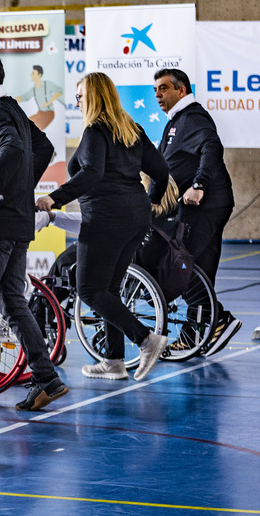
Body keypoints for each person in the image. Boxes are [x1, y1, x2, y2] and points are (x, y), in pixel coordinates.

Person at [36, 72, 170, 382]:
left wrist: (52, 199)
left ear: (94, 97)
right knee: (109, 290)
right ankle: (113, 360)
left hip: (105, 219)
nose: (77, 101)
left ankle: (146, 340)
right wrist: (149, 203)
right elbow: (162, 171)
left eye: (81, 96)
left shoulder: (96, 131)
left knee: (90, 290)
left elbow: (92, 175)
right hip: (136, 218)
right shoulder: (131, 129)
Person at [0, 49, 68, 412]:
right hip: (15, 222)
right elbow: (44, 147)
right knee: (11, 302)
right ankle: (46, 378)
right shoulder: (11, 110)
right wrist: (18, 191)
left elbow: (12, 149)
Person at [153, 67, 240, 355]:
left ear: (182, 90)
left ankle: (218, 319)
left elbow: (212, 147)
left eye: (164, 89)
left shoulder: (193, 116)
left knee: (180, 263)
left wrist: (199, 184)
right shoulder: (176, 121)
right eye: (155, 91)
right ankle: (197, 333)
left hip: (204, 205)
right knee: (198, 266)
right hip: (203, 206)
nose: (158, 95)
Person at [15, 65, 63, 130]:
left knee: (33, 130)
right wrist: (12, 100)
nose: (31, 75)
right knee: (24, 124)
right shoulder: (34, 88)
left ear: (39, 75)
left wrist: (49, 102)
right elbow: (25, 97)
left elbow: (59, 91)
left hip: (49, 114)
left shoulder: (47, 84)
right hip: (40, 113)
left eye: (33, 73)